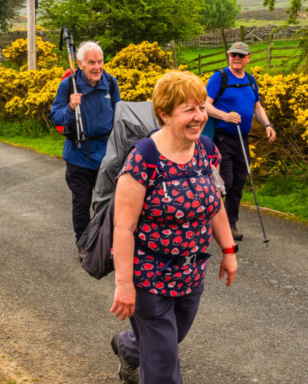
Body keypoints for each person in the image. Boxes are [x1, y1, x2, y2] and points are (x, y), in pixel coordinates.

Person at [110, 71, 238, 384]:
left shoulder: (207, 150)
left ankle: (128, 346)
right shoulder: (144, 158)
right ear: (164, 114)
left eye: (202, 108)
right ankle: (140, 354)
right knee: (164, 365)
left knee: (168, 341)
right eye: (189, 110)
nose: (199, 117)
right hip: (150, 277)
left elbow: (214, 205)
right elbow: (123, 228)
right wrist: (124, 284)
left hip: (192, 274)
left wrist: (229, 250)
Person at [50, 41, 121, 248]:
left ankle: (104, 243)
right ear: (80, 64)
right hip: (78, 154)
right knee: (81, 203)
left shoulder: (110, 82)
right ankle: (83, 244)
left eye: (100, 61)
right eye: (92, 63)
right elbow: (56, 116)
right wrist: (71, 108)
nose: (97, 67)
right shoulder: (68, 85)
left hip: (106, 155)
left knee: (107, 202)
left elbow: (119, 114)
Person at [205, 42, 276, 241]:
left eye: (241, 55)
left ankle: (230, 224)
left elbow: (257, 108)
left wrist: (268, 125)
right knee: (225, 182)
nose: (236, 57)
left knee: (239, 182)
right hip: (221, 138)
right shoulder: (219, 77)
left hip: (242, 140)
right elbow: (205, 104)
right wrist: (224, 116)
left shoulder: (251, 80)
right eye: (233, 54)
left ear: (248, 58)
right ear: (228, 56)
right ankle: (212, 220)